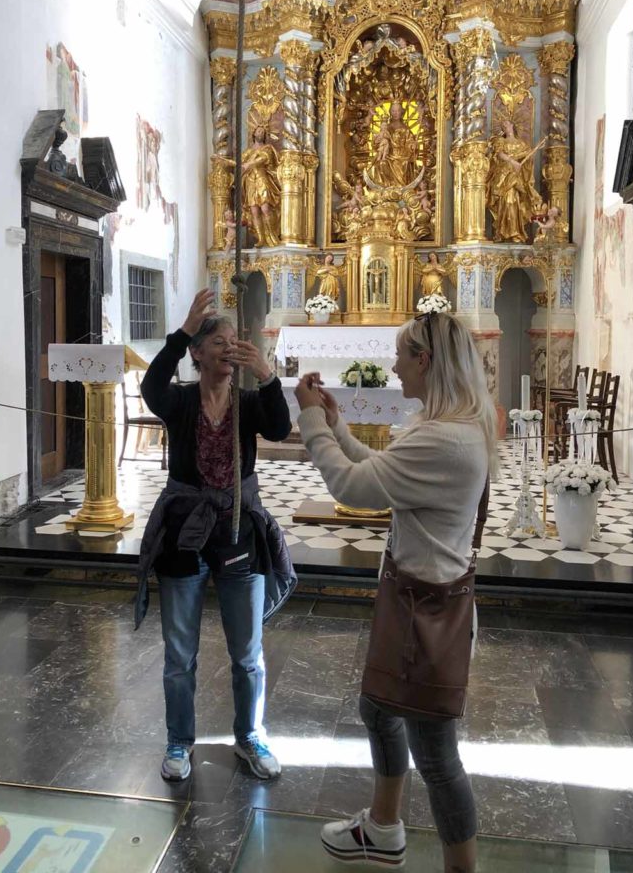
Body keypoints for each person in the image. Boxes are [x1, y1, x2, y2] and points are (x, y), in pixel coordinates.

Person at [294, 311, 499, 871]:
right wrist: (337, 429)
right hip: (417, 598)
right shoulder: (451, 431)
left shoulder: (443, 440)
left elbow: (354, 486)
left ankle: (461, 867)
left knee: (436, 758)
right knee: (377, 709)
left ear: (425, 362)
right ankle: (382, 828)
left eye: (402, 355)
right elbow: (387, 471)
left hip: (426, 614)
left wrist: (309, 420)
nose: (393, 365)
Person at [135, 289, 295, 784]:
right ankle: (180, 741)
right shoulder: (179, 400)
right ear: (198, 353)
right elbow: (150, 385)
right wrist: (182, 329)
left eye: (234, 341)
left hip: (237, 532)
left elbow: (280, 426)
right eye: (218, 342)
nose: (229, 348)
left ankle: (249, 736)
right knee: (180, 652)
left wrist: (266, 374)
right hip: (184, 532)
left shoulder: (248, 402)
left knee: (247, 654)